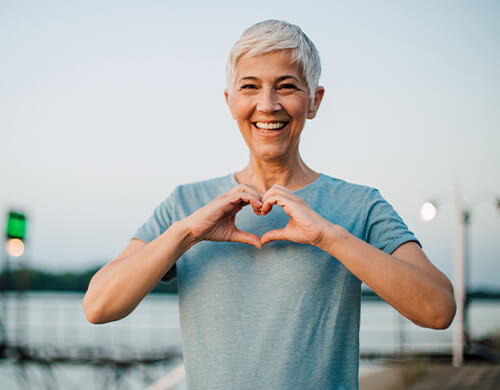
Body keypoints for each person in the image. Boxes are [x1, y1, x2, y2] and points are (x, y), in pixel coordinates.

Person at [83, 19, 456, 390]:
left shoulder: (361, 205)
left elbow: (438, 309)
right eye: (250, 87)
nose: (268, 104)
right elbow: (98, 306)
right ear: (231, 102)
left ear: (314, 101)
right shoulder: (185, 205)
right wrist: (186, 233)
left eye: (286, 86)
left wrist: (329, 237)